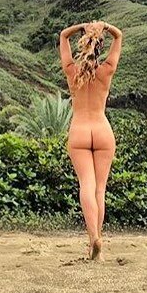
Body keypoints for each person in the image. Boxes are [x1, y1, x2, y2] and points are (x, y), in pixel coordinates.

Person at [59, 20, 123, 261]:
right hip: (102, 130)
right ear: (100, 48)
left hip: (79, 132)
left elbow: (63, 36)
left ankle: (93, 238)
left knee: (86, 185)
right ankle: (98, 242)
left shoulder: (71, 71)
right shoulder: (106, 71)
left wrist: (81, 28)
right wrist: (104, 27)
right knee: (100, 189)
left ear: (83, 46)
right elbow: (119, 36)